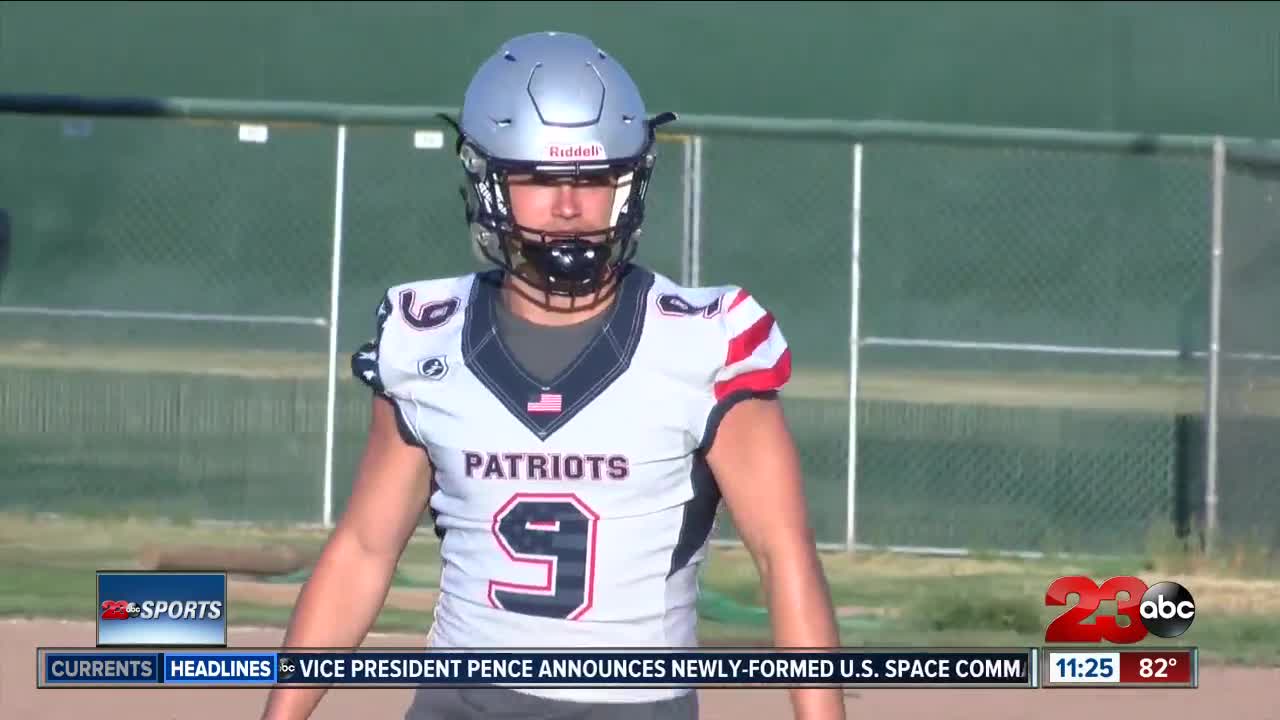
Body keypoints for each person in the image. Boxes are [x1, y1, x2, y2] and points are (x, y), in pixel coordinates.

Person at [260, 31, 844, 720]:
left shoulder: (702, 340)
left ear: (629, 183)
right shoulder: (427, 334)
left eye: (593, 179)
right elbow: (363, 549)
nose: (568, 207)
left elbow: (785, 557)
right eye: (538, 178)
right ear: (488, 180)